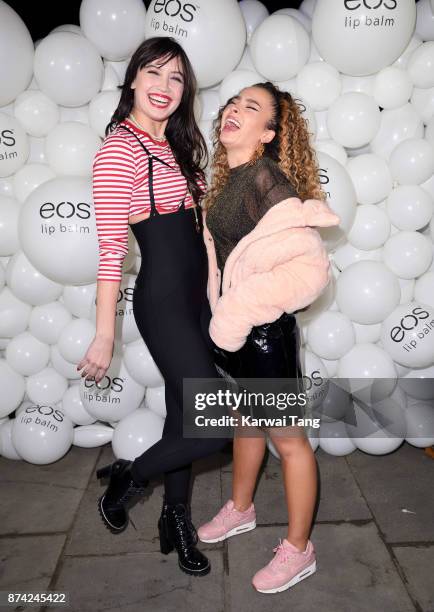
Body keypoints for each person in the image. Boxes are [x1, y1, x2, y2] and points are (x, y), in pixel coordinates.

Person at [76, 37, 230, 578]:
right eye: (154, 73)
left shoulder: (180, 148)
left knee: (186, 418)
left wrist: (218, 297)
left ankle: (176, 521)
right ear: (133, 81)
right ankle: (130, 479)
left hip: (199, 303)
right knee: (214, 427)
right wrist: (104, 334)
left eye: (176, 78)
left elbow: (204, 234)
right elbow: (111, 250)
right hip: (163, 302)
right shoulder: (119, 150)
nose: (165, 87)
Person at [196, 81, 341, 593]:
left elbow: (311, 269)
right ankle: (241, 509)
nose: (235, 110)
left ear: (270, 133)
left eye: (251, 108)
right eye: (233, 103)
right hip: (237, 335)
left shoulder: (266, 179)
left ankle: (300, 551)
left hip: (263, 338)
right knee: (244, 425)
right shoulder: (230, 179)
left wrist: (237, 309)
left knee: (290, 442)